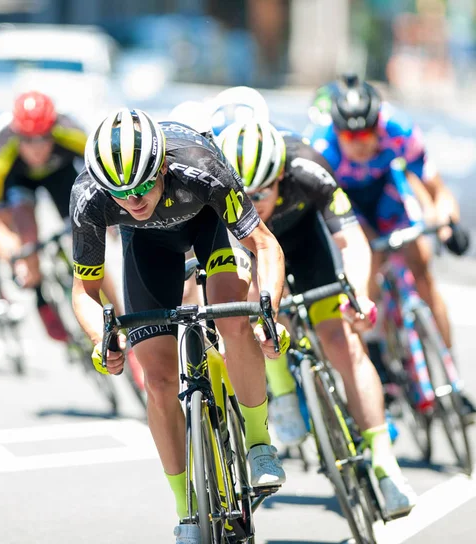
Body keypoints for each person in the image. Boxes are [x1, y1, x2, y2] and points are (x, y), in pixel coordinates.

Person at [71, 109, 290, 543]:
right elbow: (84, 290)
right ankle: (186, 508)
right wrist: (102, 339)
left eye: (142, 184)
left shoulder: (202, 167)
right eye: (121, 191)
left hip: (206, 225)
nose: (132, 200)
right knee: (158, 378)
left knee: (233, 317)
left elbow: (264, 245)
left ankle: (260, 444)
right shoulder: (90, 197)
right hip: (146, 248)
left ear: (164, 167)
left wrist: (268, 312)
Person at [216, 119, 417, 517]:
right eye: (247, 196)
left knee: (342, 343)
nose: (255, 203)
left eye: (264, 192)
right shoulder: (219, 187)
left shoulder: (309, 167)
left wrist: (358, 293)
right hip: (251, 249)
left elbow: (352, 240)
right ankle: (283, 388)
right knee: (257, 304)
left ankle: (384, 464)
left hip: (307, 244)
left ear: (282, 176)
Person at [308, 74, 474, 418]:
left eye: (366, 133)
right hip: (350, 206)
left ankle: (451, 377)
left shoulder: (399, 128)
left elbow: (435, 190)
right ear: (336, 130)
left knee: (422, 267)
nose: (359, 142)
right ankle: (377, 351)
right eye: (349, 136)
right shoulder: (321, 148)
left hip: (387, 196)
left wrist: (449, 227)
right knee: (366, 265)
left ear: (377, 124)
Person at [0, 90, 119, 341]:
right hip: (20, 183)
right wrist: (15, 256)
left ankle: (122, 319)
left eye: (43, 138)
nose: (36, 149)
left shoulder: (71, 133)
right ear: (16, 135)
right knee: (27, 238)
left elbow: (106, 173)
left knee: (90, 244)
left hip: (61, 176)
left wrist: (110, 217)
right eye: (28, 140)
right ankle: (40, 298)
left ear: (54, 129)